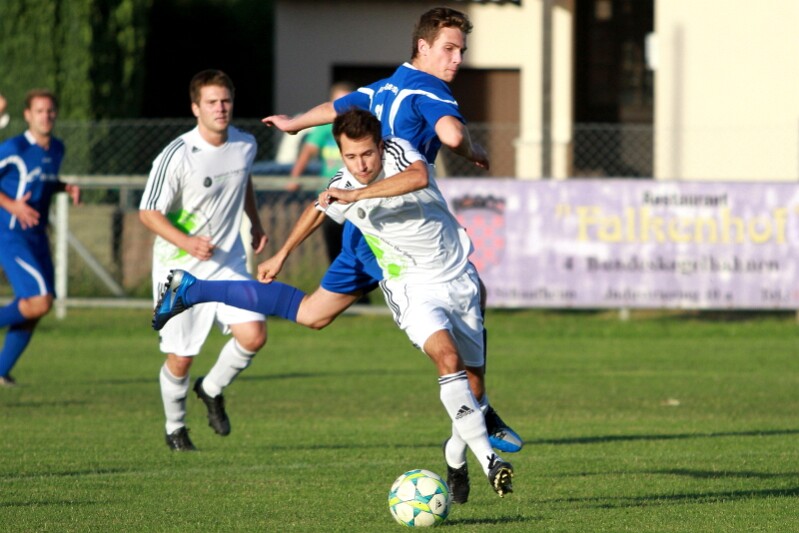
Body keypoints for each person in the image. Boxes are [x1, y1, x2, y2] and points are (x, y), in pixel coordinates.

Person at [153, 109, 514, 498]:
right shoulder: (343, 182)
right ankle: (490, 461)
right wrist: (281, 255)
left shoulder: (398, 152)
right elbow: (317, 208)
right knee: (447, 359)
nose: (361, 165)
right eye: (350, 157)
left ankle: (455, 454)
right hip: (411, 287)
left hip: (457, 277)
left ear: (381, 146)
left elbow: (418, 177)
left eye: (367, 154)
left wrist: (355, 195)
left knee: (474, 384)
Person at [262, 6, 517, 501]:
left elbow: (336, 109)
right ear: (422, 47)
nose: (457, 59)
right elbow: (450, 135)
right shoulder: (431, 91)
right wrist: (472, 149)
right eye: (449, 49)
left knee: (470, 373)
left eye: (461, 51)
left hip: (408, 230)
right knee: (444, 354)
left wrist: (294, 125)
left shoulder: (382, 89)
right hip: (394, 240)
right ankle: (487, 453)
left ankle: (459, 449)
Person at [139, 70, 268, 452]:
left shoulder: (245, 144)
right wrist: (188, 242)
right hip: (179, 269)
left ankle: (211, 389)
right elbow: (148, 213)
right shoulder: (177, 155)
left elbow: (243, 181)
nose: (220, 108)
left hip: (227, 262)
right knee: (181, 357)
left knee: (254, 334)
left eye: (225, 100)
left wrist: (255, 222)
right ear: (196, 107)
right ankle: (175, 428)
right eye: (212, 102)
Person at [0, 89, 80, 387]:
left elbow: (40, 181)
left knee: (33, 309)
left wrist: (63, 186)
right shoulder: (15, 147)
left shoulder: (56, 148)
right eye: (39, 111)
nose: (45, 116)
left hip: (37, 236)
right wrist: (12, 205)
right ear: (27, 115)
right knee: (39, 301)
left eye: (50, 111)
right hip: (11, 234)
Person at [287, 82, 356, 269]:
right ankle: (338, 278)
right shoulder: (326, 127)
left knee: (356, 246)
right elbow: (308, 150)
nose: (343, 107)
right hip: (330, 193)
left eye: (347, 101)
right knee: (334, 245)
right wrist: (295, 177)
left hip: (355, 194)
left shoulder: (359, 126)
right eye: (339, 101)